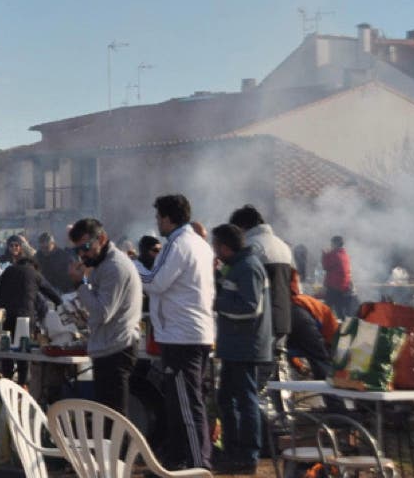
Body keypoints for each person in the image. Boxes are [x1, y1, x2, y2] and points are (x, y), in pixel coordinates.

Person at [136, 194, 215, 471]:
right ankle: (181, 460)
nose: (157, 223)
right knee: (183, 401)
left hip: (182, 336)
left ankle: (197, 464)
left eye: (159, 217)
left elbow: (155, 282)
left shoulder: (178, 243)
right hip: (194, 332)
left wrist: (132, 264)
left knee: (187, 403)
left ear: (168, 219)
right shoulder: (199, 244)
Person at [211, 223, 272, 474]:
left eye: (215, 246)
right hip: (233, 345)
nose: (214, 251)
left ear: (225, 247)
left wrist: (214, 302)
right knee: (226, 398)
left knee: (246, 400)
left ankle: (248, 455)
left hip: (246, 345)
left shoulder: (248, 268)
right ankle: (232, 450)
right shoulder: (236, 266)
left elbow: (249, 307)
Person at [66, 217, 143, 415]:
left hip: (116, 349)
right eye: (78, 250)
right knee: (106, 417)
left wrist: (79, 285)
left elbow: (101, 312)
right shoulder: (102, 264)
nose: (83, 254)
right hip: (108, 345)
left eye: (86, 247)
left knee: (114, 420)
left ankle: (119, 447)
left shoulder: (114, 267)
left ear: (102, 239)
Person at [229, 205, 292, 346]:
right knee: (276, 365)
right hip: (283, 319)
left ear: (242, 227)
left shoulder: (251, 246)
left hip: (260, 323)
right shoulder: (282, 245)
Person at [0, 256, 63, 386]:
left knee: (6, 349)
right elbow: (53, 294)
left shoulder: (8, 270)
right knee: (23, 351)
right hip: (25, 316)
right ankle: (22, 383)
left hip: (5, 316)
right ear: (34, 266)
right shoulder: (34, 273)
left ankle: (6, 381)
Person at [322, 236, 353, 318]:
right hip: (343, 286)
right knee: (339, 309)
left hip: (334, 286)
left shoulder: (335, 254)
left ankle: (325, 328)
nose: (331, 245)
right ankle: (341, 327)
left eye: (332, 243)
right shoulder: (345, 254)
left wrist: (325, 255)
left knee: (326, 309)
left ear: (335, 244)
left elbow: (325, 266)